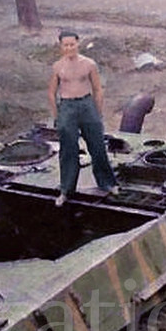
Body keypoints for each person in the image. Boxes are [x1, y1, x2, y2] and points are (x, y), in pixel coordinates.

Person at [47, 30, 119, 206]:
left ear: (78, 44)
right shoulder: (57, 67)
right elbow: (51, 92)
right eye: (66, 45)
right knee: (68, 150)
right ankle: (66, 190)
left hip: (87, 105)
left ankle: (108, 183)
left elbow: (98, 89)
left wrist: (97, 111)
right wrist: (58, 115)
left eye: (72, 44)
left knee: (97, 145)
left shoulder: (89, 64)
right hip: (67, 106)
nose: (70, 48)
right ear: (61, 46)